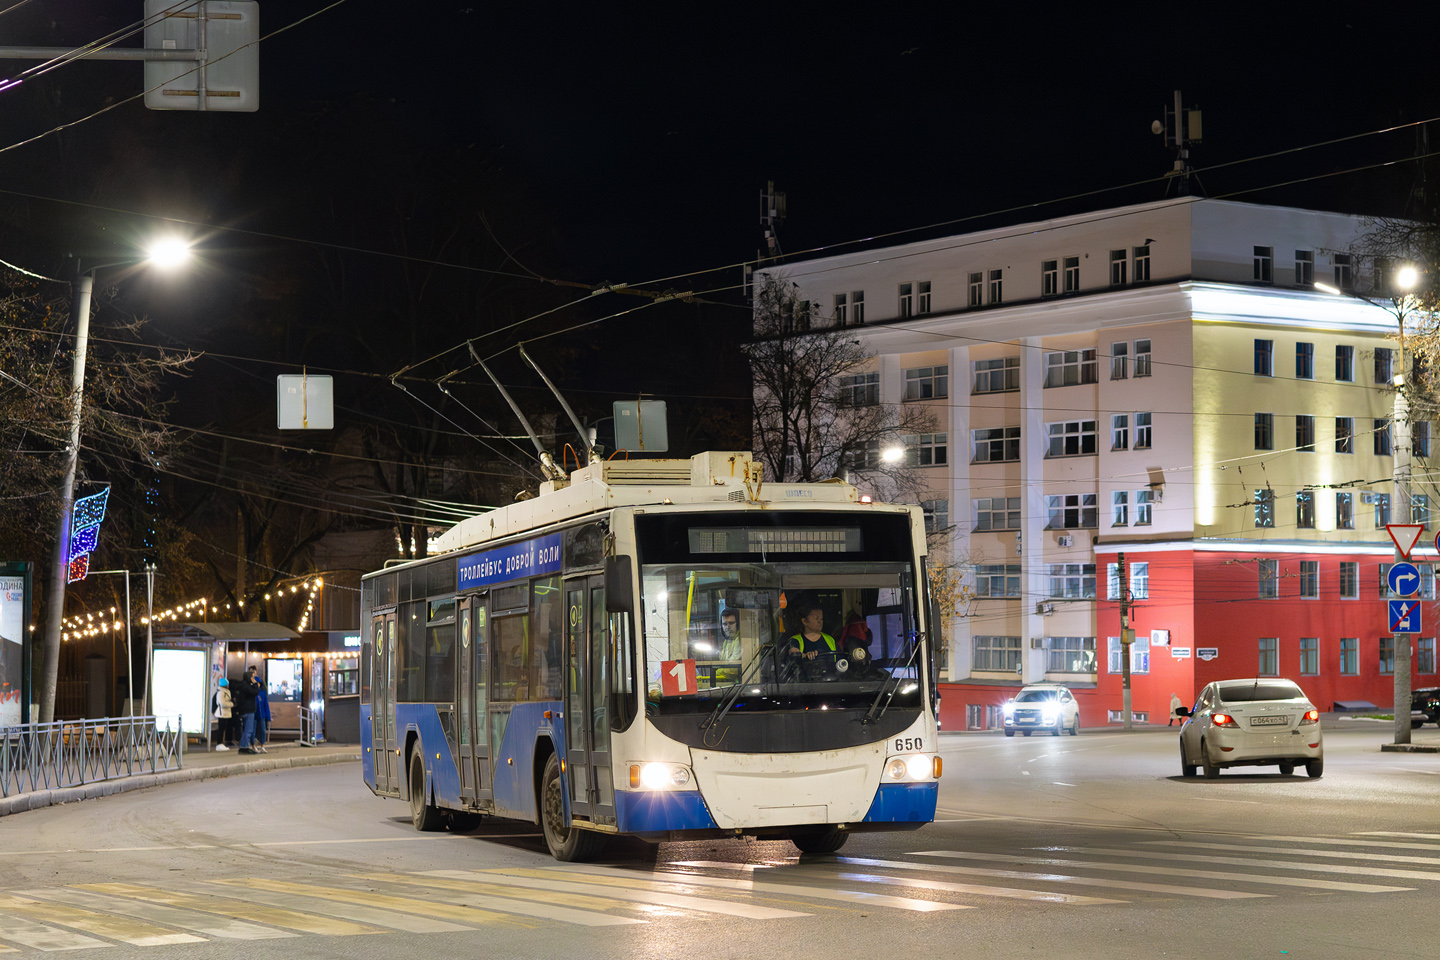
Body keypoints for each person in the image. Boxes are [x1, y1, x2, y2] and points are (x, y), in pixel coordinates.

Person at [233, 665, 263, 754]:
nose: (254, 679)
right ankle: (244, 747)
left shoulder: (242, 685)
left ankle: (243, 746)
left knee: (245, 729)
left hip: (243, 710)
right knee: (249, 730)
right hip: (248, 710)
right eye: (253, 677)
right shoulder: (246, 686)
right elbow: (255, 692)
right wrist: (254, 684)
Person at [211, 678, 233, 751]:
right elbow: (222, 703)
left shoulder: (225, 692)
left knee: (223, 728)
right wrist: (231, 704)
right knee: (221, 729)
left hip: (225, 713)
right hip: (222, 713)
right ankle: (219, 744)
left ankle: (221, 743)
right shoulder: (221, 692)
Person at [254, 676, 272, 754]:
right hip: (254, 714)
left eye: (259, 683)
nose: (258, 685)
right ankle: (254, 746)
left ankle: (262, 746)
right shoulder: (253, 692)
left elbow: (266, 705)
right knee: (253, 731)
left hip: (261, 715)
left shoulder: (263, 693)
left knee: (262, 731)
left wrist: (268, 717)